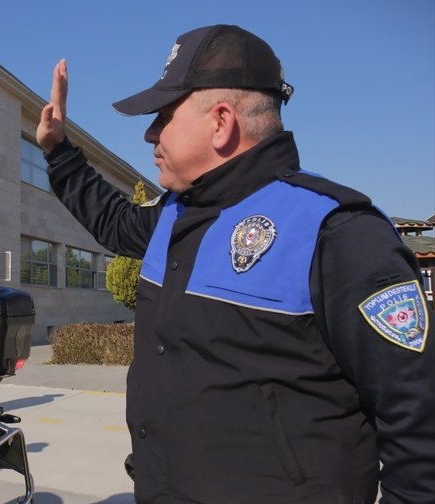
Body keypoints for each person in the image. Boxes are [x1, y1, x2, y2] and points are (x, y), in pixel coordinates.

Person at [36, 25, 434, 504]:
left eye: (162, 116)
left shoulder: (336, 230)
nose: (149, 134)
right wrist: (59, 152)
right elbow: (116, 222)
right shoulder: (176, 215)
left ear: (220, 121)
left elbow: (419, 423)